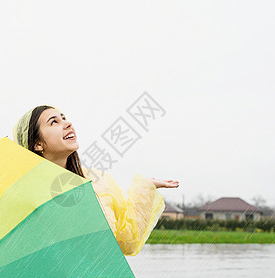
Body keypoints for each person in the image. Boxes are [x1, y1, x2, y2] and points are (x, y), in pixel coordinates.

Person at [12, 105, 179, 256]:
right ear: (37, 144)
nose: (67, 123)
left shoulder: (97, 183)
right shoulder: (24, 195)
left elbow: (126, 241)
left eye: (63, 118)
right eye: (54, 122)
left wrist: (146, 189)